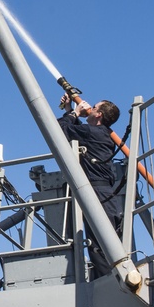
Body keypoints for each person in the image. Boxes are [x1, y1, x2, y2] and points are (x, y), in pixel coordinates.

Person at [58, 95, 121, 280]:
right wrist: (70, 110)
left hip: (98, 193)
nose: (89, 108)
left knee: (101, 245)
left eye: (93, 107)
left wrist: (75, 112)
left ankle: (110, 285)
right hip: (102, 193)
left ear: (99, 114)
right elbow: (76, 130)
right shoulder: (98, 133)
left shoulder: (94, 133)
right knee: (101, 243)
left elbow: (59, 130)